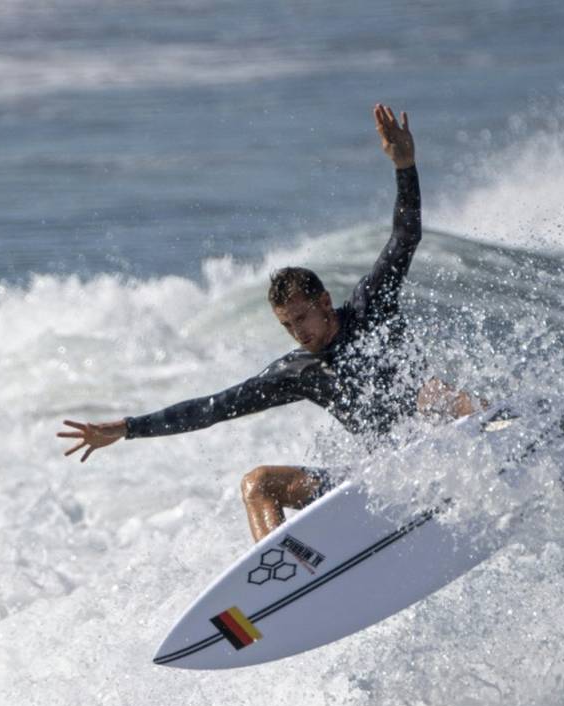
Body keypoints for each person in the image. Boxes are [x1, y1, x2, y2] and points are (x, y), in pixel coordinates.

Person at [58, 103, 481, 541]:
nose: (299, 332)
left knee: (432, 393)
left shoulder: (369, 307)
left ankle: (507, 432)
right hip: (381, 482)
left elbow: (404, 236)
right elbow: (211, 408)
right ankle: (282, 572)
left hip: (447, 454)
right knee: (257, 483)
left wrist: (405, 166)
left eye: (302, 318)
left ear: (324, 301)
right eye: (288, 326)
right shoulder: (298, 373)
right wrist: (128, 428)